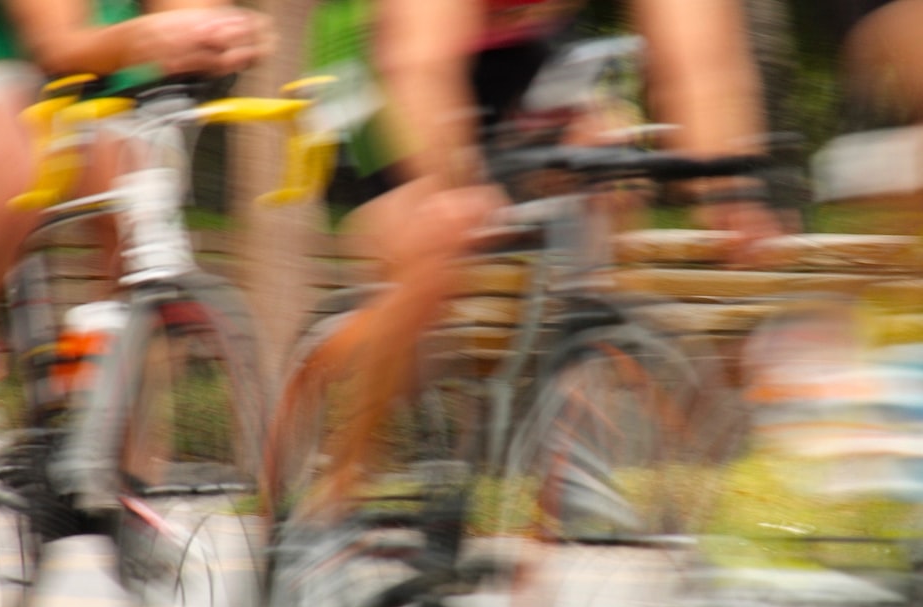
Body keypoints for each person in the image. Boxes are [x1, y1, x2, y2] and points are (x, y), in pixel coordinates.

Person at [272, 0, 780, 519]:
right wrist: (454, 187)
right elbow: (417, 63)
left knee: (608, 155)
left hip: (514, 45)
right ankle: (344, 471)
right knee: (434, 238)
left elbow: (702, 62)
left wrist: (729, 194)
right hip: (381, 55)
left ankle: (571, 440)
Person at [0, 0, 275, 474]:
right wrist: (158, 34)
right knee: (19, 181)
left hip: (97, 20)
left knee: (135, 217)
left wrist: (224, 30)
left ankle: (122, 473)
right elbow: (63, 46)